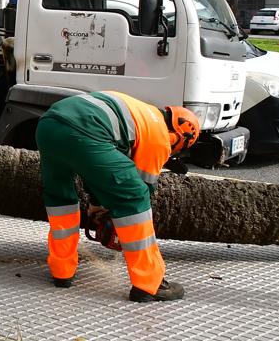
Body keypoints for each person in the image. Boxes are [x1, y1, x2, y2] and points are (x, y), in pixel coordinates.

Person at [35, 92, 200, 301]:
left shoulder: (140, 111)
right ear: (180, 135)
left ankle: (62, 270)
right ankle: (148, 284)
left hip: (49, 125)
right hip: (84, 130)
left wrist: (96, 205)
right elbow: (141, 189)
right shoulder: (159, 136)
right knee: (134, 197)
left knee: (61, 199)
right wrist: (113, 214)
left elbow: (95, 167)